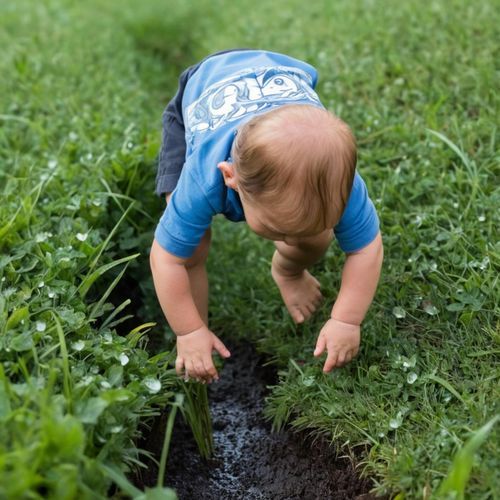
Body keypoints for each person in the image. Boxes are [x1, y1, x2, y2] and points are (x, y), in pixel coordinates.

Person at [150, 49, 383, 384]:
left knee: (316, 236)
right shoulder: (202, 179)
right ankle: (197, 336)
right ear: (231, 178)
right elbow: (165, 259)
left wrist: (347, 319)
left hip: (274, 79)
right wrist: (188, 331)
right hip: (201, 92)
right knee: (191, 249)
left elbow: (366, 249)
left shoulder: (338, 186)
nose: (288, 237)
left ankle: (288, 272)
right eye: (278, 229)